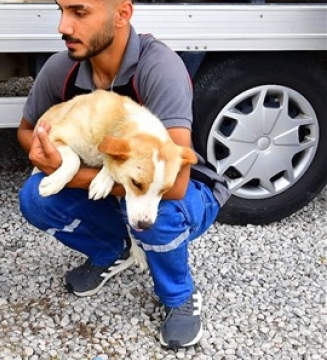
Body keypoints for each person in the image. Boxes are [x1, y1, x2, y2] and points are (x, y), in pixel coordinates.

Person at [16, 0, 230, 349]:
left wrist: (68, 175)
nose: (63, 27)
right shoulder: (61, 67)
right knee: (35, 198)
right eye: (61, 11)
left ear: (122, 14)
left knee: (157, 212)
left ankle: (179, 295)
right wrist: (40, 150)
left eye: (79, 12)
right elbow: (26, 130)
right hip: (115, 176)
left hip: (185, 190)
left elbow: (174, 185)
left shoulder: (160, 68)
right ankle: (110, 251)